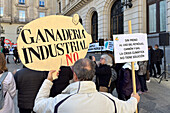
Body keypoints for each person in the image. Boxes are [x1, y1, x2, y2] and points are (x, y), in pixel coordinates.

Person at [33, 58, 140, 113]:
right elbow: (128, 107)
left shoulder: (59, 102)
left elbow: (37, 105)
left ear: (74, 75)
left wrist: (48, 81)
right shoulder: (109, 100)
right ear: (93, 74)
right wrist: (134, 99)